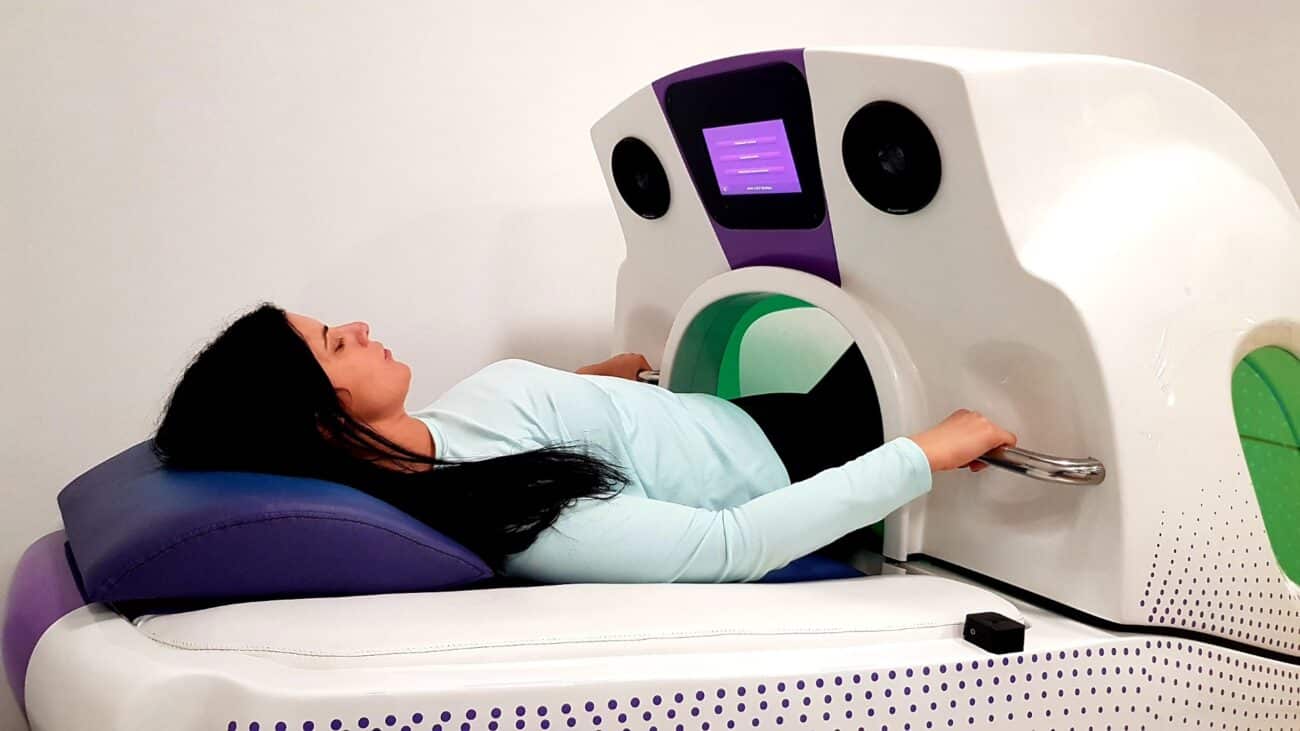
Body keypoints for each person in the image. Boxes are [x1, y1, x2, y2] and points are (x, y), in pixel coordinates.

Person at [153, 302, 1016, 583]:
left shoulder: (440, 436)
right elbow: (731, 544)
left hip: (759, 415)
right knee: (990, 339)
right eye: (333, 343)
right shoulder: (513, 514)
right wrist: (925, 454)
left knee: (931, 310)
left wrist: (590, 384)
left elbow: (519, 431)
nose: (359, 324)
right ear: (322, 417)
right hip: (807, 456)